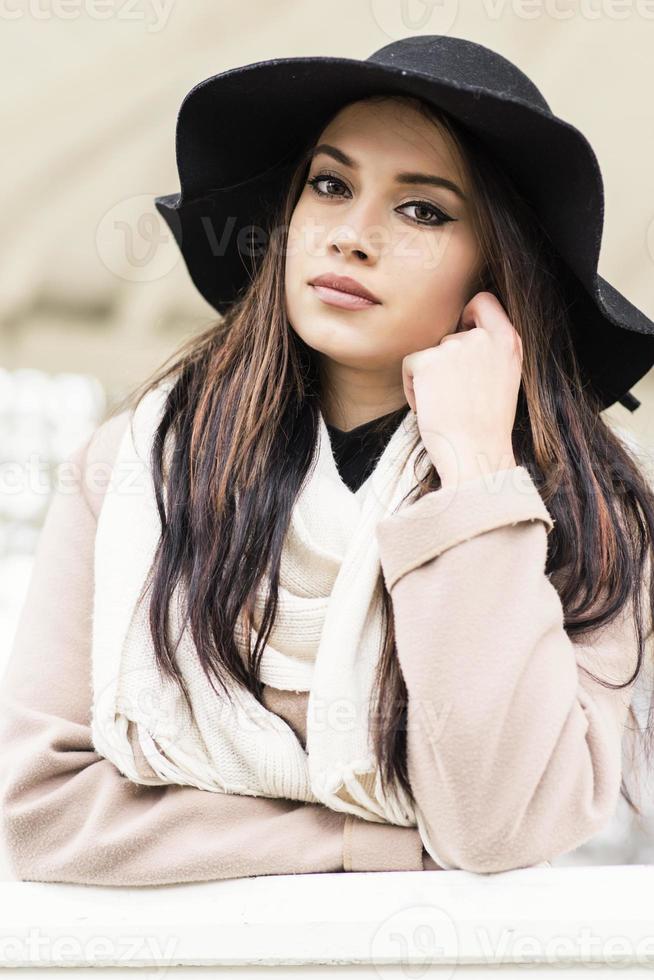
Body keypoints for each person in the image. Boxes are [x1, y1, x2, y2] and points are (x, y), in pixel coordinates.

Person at [1, 35, 653, 886]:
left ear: (498, 268)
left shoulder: (594, 514)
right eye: (330, 185)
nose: (350, 235)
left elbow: (500, 823)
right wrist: (369, 847)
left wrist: (478, 475)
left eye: (423, 210)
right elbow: (44, 811)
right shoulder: (134, 470)